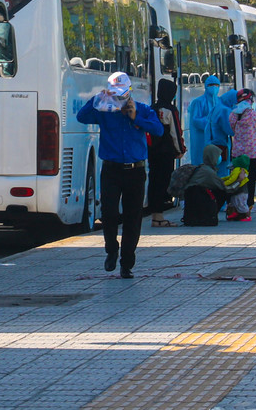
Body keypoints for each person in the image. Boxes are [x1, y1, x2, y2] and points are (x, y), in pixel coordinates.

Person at [76, 71, 162, 278]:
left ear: (129, 92)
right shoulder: (105, 110)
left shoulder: (142, 109)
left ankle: (127, 263)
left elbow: (158, 130)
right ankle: (111, 249)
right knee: (109, 213)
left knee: (133, 218)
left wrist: (135, 117)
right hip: (111, 170)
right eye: (115, 94)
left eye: (122, 94)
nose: (119, 98)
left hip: (136, 170)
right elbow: (81, 117)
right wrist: (98, 98)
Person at [147, 79, 185, 228]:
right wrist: (180, 150)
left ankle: (155, 216)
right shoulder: (170, 110)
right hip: (166, 153)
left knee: (153, 181)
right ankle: (159, 217)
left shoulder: (152, 108)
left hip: (152, 152)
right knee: (163, 183)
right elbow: (176, 132)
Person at [228, 89, 256, 209]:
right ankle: (249, 203)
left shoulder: (232, 115)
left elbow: (233, 130)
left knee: (238, 178)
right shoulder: (255, 115)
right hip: (253, 152)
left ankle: (236, 203)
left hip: (238, 152)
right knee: (251, 178)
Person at [177, 144, 227, 226]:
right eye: (218, 155)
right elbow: (222, 187)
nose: (220, 158)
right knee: (222, 192)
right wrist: (239, 182)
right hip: (198, 198)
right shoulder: (208, 172)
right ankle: (211, 214)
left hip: (191, 199)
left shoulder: (203, 168)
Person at [187, 76, 220, 165]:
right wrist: (211, 122)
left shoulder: (219, 101)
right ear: (206, 86)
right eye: (211, 85)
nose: (214, 87)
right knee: (200, 161)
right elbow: (195, 120)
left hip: (216, 140)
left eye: (216, 85)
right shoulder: (198, 102)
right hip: (200, 139)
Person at [209, 87, 235, 157]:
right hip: (220, 144)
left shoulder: (219, 106)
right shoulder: (224, 110)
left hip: (214, 142)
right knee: (221, 163)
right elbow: (230, 130)